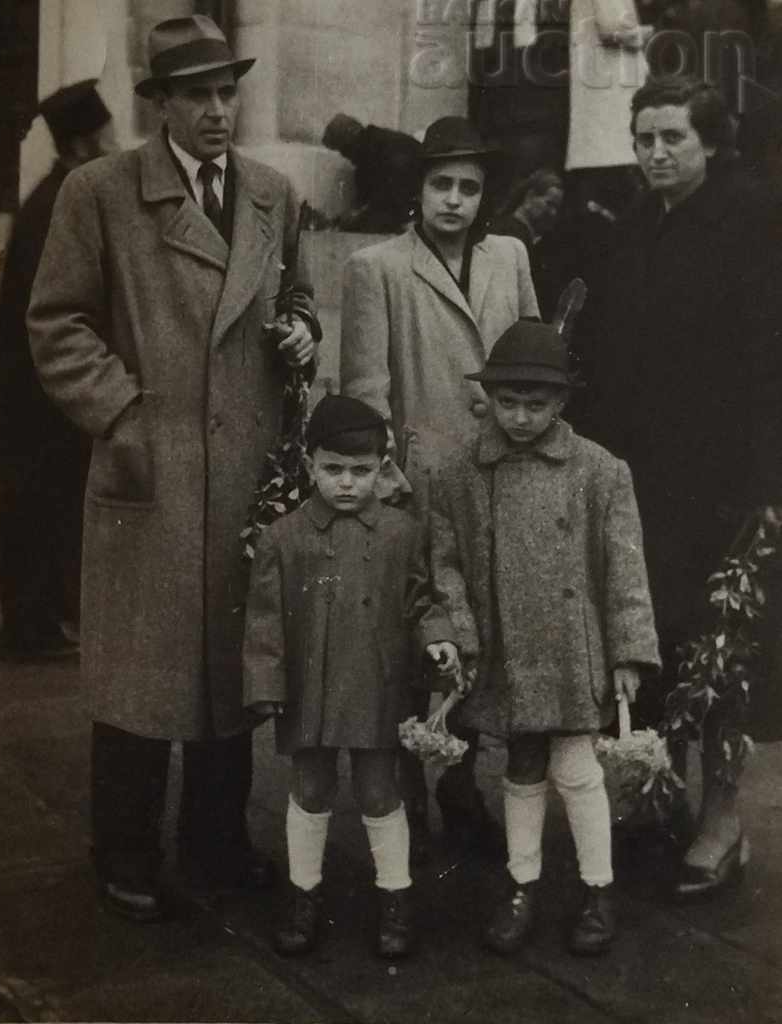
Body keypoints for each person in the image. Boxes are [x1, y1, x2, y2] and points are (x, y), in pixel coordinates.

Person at [27, 14, 320, 921]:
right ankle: (123, 851)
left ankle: (217, 845)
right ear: (159, 104)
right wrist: (122, 414)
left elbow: (300, 296)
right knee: (141, 675)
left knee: (234, 673)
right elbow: (57, 322)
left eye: (228, 92)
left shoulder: (273, 195)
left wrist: (305, 331)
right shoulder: (103, 193)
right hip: (148, 475)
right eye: (197, 94)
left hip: (243, 476)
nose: (218, 111)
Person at [592, 75, 782, 898]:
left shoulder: (754, 222)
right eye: (644, 139)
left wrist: (767, 486)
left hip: (730, 480)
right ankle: (656, 798)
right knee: (654, 636)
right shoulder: (633, 229)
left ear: (709, 143)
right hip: (644, 480)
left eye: (673, 137)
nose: (657, 153)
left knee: (727, 649)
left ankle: (722, 815)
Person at [340, 115, 540, 862]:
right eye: (441, 185)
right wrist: (386, 487)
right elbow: (365, 394)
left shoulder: (510, 257)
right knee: (416, 642)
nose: (454, 200)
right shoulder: (379, 268)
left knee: (480, 641)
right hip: (417, 487)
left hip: (496, 480)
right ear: (418, 190)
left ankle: (460, 787)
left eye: (468, 188)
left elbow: (531, 359)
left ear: (483, 196)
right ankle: (410, 795)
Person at [430, 320, 660, 955]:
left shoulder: (600, 472)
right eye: (508, 403)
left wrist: (628, 652)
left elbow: (625, 568)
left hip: (572, 645)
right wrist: (463, 628)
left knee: (577, 764)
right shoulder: (459, 474)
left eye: (536, 405)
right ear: (489, 400)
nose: (521, 418)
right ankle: (521, 882)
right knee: (522, 762)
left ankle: (597, 887)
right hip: (503, 644)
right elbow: (444, 562)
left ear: (561, 403)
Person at [243, 394, 457, 959]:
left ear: (382, 469)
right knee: (311, 788)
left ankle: (395, 897)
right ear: (309, 464)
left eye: (361, 472)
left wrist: (438, 638)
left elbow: (422, 599)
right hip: (309, 689)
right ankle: (302, 894)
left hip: (376, 685)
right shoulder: (282, 537)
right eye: (332, 469)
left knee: (379, 790)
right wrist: (265, 685)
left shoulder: (402, 533)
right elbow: (264, 619)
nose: (345, 484)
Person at [0, 80, 116, 662]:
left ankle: (40, 620)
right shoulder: (63, 201)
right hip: (42, 390)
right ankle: (31, 628)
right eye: (107, 136)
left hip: (34, 384)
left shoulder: (52, 194)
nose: (115, 145)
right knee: (41, 504)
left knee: (41, 502)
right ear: (84, 145)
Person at [491, 168, 565, 319]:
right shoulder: (513, 235)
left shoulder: (518, 232)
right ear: (530, 196)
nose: (553, 213)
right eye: (548, 204)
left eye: (556, 207)